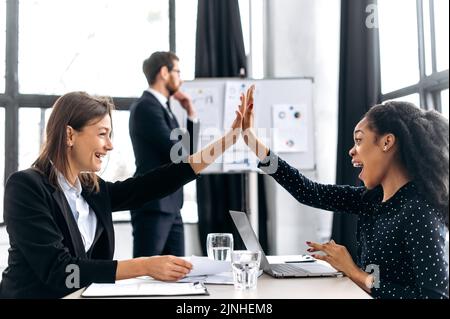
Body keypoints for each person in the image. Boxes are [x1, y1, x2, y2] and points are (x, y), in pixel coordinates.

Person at [0, 90, 245, 298]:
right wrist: (145, 265)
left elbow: (149, 186)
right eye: (102, 133)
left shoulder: (90, 189)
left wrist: (227, 141)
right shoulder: (26, 187)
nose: (110, 145)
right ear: (69, 135)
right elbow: (60, 270)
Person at [241, 86, 449, 299]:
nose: (351, 150)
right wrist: (254, 144)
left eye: (359, 140)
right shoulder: (372, 200)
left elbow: (435, 297)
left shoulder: (419, 211)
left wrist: (352, 271)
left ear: (387, 142)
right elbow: (309, 191)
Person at [129, 51, 198, 257]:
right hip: (153, 205)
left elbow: (187, 155)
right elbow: (178, 154)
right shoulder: (146, 107)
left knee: (178, 274)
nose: (181, 78)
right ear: (164, 72)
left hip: (171, 205)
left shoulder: (164, 108)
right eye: (177, 71)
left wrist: (191, 113)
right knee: (145, 275)